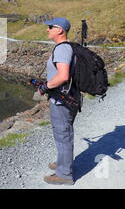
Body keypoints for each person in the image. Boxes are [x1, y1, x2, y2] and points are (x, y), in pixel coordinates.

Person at [37, 17, 80, 185]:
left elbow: (62, 76)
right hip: (70, 98)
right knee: (63, 133)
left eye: (50, 27)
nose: (47, 30)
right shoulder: (69, 47)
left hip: (62, 100)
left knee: (63, 135)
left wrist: (44, 87)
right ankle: (63, 163)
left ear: (60, 30)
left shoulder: (62, 49)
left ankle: (64, 174)